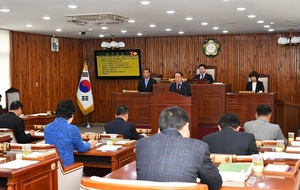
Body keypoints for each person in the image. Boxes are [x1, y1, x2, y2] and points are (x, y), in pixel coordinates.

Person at [136, 106, 222, 189]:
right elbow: (215, 183)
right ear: (186, 126)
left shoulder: (141, 144)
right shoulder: (198, 147)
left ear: (160, 128)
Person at [44, 100, 97, 167]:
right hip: (68, 168)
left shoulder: (47, 128)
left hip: (52, 168)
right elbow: (81, 148)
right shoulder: (72, 129)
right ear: (71, 115)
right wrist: (89, 143)